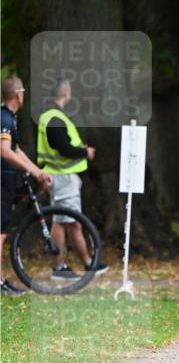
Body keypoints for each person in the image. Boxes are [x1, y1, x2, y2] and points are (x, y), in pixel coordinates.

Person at [36, 79, 107, 278]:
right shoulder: (55, 118)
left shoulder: (51, 115)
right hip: (63, 177)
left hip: (59, 176)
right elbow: (63, 147)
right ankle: (87, 263)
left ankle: (62, 267)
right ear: (66, 91)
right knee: (73, 222)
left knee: (61, 221)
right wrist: (84, 152)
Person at [1, 76, 53, 295]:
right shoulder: (4, 118)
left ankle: (2, 280)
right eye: (23, 92)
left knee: (3, 230)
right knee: (1, 232)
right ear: (18, 94)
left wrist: (37, 171)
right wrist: (33, 171)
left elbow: (16, 150)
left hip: (8, 179)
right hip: (2, 179)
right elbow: (4, 151)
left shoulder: (10, 118)